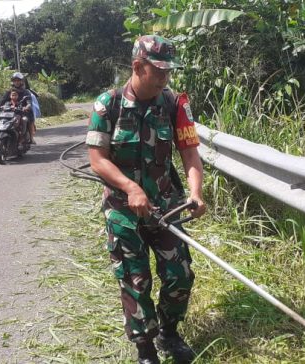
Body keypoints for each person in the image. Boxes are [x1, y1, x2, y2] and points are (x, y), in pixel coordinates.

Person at [86, 35, 207, 364]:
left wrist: (195, 193)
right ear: (138, 67)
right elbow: (98, 159)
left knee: (179, 274)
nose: (165, 79)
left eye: (169, 72)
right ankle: (146, 347)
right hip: (123, 211)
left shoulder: (173, 104)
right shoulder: (106, 105)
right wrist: (130, 187)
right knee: (135, 279)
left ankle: (169, 332)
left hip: (166, 207)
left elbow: (190, 156)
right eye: (159, 71)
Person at [0, 72, 38, 144]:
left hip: (23, 111)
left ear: (22, 81)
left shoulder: (26, 92)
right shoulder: (9, 91)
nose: (16, 82)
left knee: (25, 120)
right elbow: (2, 100)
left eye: (18, 80)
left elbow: (29, 102)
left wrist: (27, 107)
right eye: (15, 80)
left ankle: (30, 138)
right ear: (13, 82)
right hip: (10, 111)